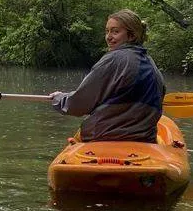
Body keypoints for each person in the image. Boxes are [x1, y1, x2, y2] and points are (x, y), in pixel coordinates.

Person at [50, 9, 165, 142]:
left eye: (115, 31)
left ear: (131, 36)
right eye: (107, 31)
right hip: (144, 139)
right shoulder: (151, 64)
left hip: (104, 137)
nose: (109, 37)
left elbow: (79, 104)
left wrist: (59, 99)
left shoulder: (113, 59)